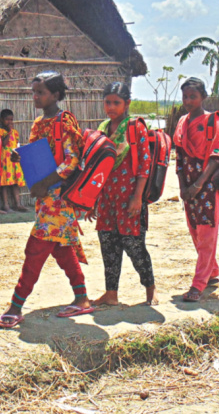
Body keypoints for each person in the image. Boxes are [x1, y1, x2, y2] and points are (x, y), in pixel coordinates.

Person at [0, 72, 92, 328]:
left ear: (56, 95)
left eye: (41, 92)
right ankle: (82, 298)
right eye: (34, 92)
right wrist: (20, 157)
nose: (35, 97)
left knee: (35, 251)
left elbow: (71, 160)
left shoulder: (65, 121)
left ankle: (16, 305)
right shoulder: (39, 122)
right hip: (44, 197)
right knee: (61, 249)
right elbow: (38, 154)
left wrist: (45, 183)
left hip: (58, 199)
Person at [86, 82, 156, 306]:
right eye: (108, 102)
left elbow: (145, 164)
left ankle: (150, 290)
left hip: (129, 198)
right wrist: (91, 200)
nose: (111, 107)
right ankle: (111, 294)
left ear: (127, 103)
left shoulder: (135, 128)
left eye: (116, 102)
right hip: (107, 198)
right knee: (108, 246)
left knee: (135, 246)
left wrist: (138, 197)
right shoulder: (103, 129)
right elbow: (96, 167)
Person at [173, 78, 219, 302]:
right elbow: (179, 157)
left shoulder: (213, 121)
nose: (188, 101)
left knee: (206, 233)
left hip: (206, 184)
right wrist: (184, 186)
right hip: (188, 182)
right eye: (185, 96)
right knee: (195, 230)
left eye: (192, 96)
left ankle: (199, 284)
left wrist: (198, 184)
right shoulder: (182, 121)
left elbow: (216, 157)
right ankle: (211, 271)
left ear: (203, 97)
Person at [0, 109, 28, 213]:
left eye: (11, 120)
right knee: (4, 184)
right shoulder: (0, 131)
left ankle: (18, 204)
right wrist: (9, 132)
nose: (9, 122)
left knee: (15, 184)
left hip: (14, 162)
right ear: (2, 120)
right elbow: (4, 144)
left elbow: (17, 144)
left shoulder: (16, 132)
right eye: (7, 120)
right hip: (5, 161)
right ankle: (6, 205)